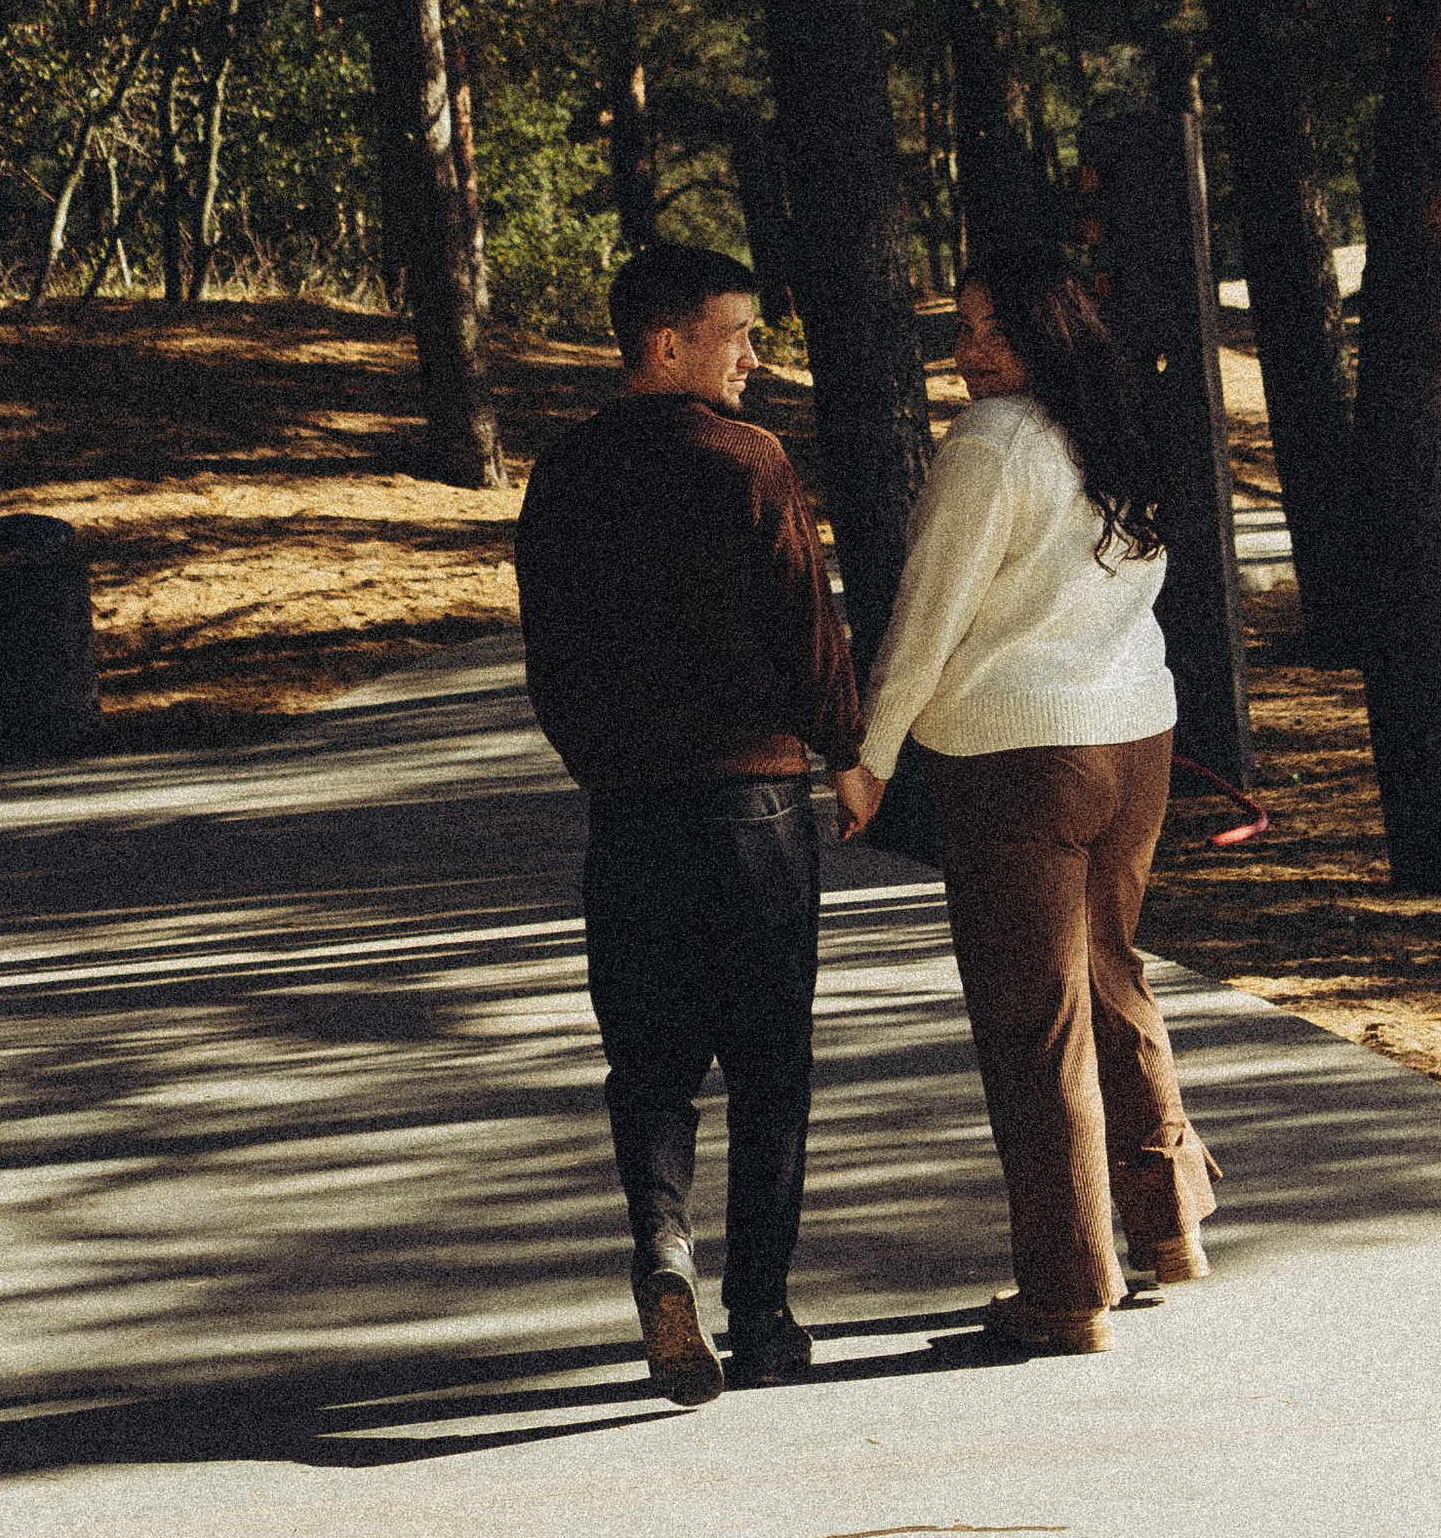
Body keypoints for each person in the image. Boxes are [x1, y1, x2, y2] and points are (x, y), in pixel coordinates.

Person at [835, 243, 1215, 1358]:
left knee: (1032, 1023)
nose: (968, 354)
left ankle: (1065, 1293)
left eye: (991, 331)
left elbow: (930, 610)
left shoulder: (991, 447)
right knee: (1109, 976)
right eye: (959, 330)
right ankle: (1169, 1227)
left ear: (1049, 332)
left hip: (1019, 759)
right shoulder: (1117, 429)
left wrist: (871, 749)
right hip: (1133, 739)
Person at [515, 242, 862, 1406]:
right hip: (753, 813)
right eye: (738, 338)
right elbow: (807, 632)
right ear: (668, 345)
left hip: (629, 820)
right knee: (771, 1069)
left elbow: (551, 662)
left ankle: (662, 1247)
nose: (757, 361)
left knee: (651, 1065)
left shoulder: (561, 475)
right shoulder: (747, 461)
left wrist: (604, 762)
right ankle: (760, 1317)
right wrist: (851, 750)